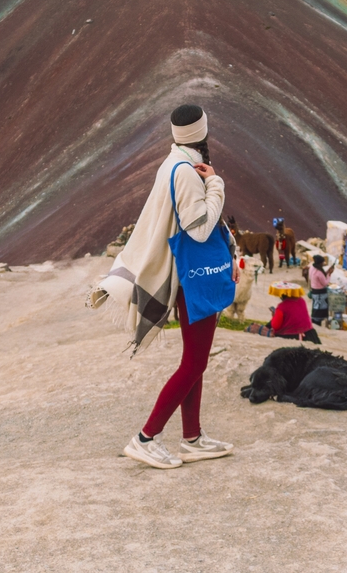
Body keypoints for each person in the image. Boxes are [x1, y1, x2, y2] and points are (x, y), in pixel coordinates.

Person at [91, 103, 238, 470]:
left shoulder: (171, 163)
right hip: (194, 279)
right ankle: (146, 437)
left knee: (196, 361)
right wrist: (216, 183)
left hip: (189, 276)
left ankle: (193, 437)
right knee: (193, 362)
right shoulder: (187, 172)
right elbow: (200, 227)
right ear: (203, 132)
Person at [307, 255, 331, 325]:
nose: (323, 264)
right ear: (320, 263)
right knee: (320, 308)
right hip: (320, 292)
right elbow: (325, 283)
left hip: (314, 291)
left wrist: (327, 272)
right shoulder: (318, 272)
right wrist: (329, 274)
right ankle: (317, 321)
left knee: (315, 306)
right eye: (323, 263)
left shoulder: (312, 267)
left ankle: (314, 319)